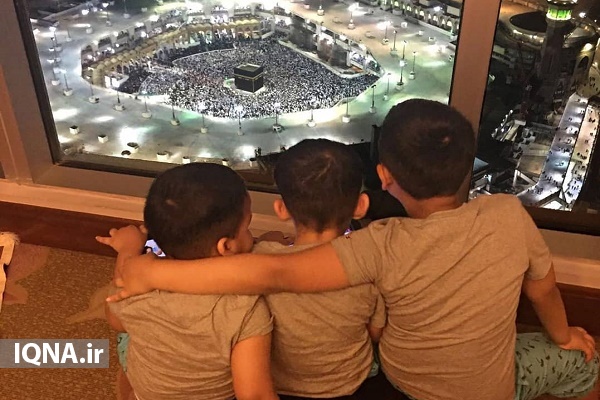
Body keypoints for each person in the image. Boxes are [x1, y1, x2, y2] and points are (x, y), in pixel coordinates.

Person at [105, 99, 599, 400]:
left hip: (407, 383)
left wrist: (149, 272)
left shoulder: (382, 244)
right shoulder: (509, 213)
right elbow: (543, 289)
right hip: (485, 388)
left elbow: (272, 274)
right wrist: (563, 335)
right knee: (587, 363)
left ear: (384, 177)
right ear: (468, 167)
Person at [98, 163, 278, 400]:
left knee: (126, 337)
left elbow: (116, 321)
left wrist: (128, 251)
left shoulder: (137, 283)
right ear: (226, 246)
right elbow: (254, 394)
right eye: (247, 228)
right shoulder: (245, 307)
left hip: (149, 394)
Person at [256, 139, 386, 398]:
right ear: (360, 206)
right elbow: (375, 332)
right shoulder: (369, 264)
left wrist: (266, 240)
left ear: (281, 209)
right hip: (349, 385)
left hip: (282, 387)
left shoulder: (261, 258)